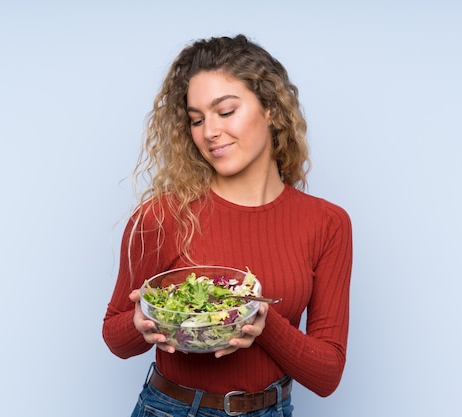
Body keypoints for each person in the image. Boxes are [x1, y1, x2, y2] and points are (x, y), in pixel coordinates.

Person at [103, 34, 352, 417]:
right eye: (197, 120)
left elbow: (327, 375)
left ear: (270, 109)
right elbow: (114, 336)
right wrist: (141, 323)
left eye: (225, 111)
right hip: (172, 409)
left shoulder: (327, 223)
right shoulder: (165, 214)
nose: (209, 132)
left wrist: (260, 321)